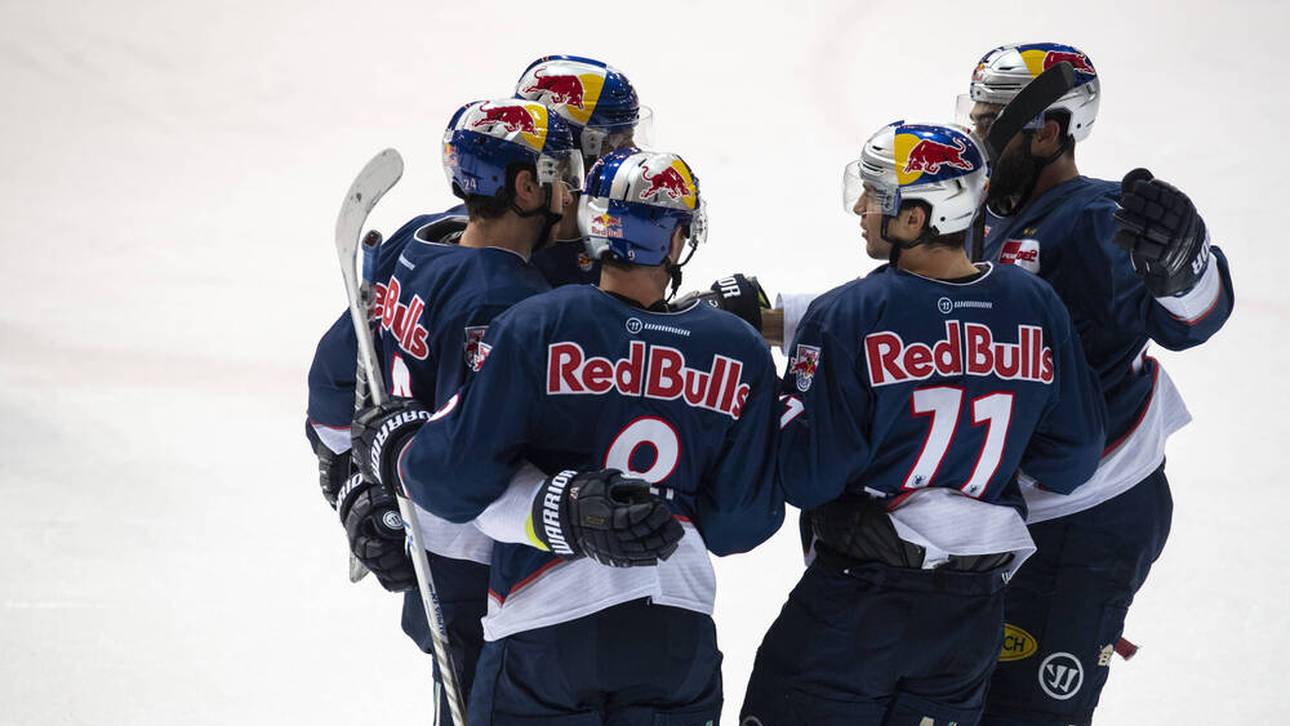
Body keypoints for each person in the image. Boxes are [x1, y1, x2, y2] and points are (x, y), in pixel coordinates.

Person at [354, 147, 785, 724]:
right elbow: (742, 523)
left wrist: (396, 447)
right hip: (675, 627)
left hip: (544, 622)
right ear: (678, 241)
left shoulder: (537, 322)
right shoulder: (737, 348)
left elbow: (457, 477)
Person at [738, 121, 1106, 726]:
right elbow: (1071, 460)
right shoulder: (1036, 306)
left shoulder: (849, 315)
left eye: (875, 193)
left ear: (915, 218)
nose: (860, 206)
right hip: (970, 621)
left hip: (856, 606)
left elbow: (807, 478)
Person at [957, 42, 1235, 725]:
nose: (971, 135)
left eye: (987, 119)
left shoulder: (1101, 218)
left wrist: (1184, 267)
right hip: (1006, 513)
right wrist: (775, 315)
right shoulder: (973, 221)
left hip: (1090, 519)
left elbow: (1194, 318)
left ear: (1047, 132)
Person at [333, 97, 582, 717]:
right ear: (526, 188)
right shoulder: (511, 301)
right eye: (560, 175)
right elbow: (487, 450)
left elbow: (330, 390)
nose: (573, 188)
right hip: (481, 558)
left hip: (424, 542)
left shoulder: (415, 244)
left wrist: (352, 486)